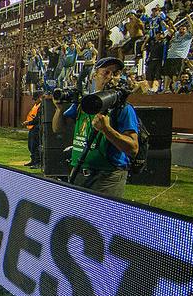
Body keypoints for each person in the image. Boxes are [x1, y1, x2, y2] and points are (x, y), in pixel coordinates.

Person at [52, 57, 139, 198]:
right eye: (106, 72)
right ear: (94, 75)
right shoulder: (83, 103)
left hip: (107, 177)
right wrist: (59, 109)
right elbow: (58, 129)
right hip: (79, 171)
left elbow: (133, 149)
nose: (111, 77)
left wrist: (106, 130)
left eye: (115, 73)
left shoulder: (123, 108)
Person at [163, 15, 193, 91]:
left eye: (184, 29)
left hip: (179, 56)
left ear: (186, 30)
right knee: (167, 74)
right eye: (180, 29)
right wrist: (168, 25)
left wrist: (189, 19)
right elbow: (172, 31)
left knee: (176, 74)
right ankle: (165, 89)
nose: (181, 30)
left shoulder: (188, 36)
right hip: (170, 56)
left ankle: (175, 89)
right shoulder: (177, 34)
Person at [22, 91, 43, 168]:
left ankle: (38, 163)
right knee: (31, 146)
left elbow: (37, 119)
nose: (35, 100)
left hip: (37, 128)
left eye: (36, 99)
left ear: (40, 97)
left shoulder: (41, 106)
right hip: (32, 128)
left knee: (35, 145)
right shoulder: (36, 105)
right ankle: (33, 160)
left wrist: (28, 123)